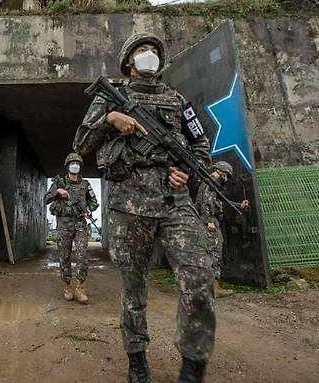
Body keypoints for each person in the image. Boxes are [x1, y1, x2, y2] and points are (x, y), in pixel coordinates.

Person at [74, 32, 215, 383]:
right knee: (133, 286)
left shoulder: (177, 99)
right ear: (128, 61)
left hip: (174, 202)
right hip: (129, 203)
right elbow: (81, 143)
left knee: (199, 278)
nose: (149, 54)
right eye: (141, 50)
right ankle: (137, 360)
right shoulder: (113, 97)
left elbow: (200, 141)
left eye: (154, 50)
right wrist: (110, 120)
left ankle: (193, 366)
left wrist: (187, 169)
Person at [44, 153, 99, 304]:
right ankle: (67, 286)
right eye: (72, 162)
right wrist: (57, 192)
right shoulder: (59, 183)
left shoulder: (85, 184)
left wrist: (87, 209)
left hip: (81, 224)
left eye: (77, 163)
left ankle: (80, 288)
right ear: (67, 165)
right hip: (63, 224)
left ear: (80, 166)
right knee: (64, 256)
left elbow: (94, 202)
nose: (75, 165)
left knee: (82, 256)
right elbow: (45, 199)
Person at [195, 161, 250, 298]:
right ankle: (214, 288)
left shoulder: (214, 185)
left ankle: (209, 287)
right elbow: (205, 203)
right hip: (210, 221)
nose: (227, 178)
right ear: (221, 172)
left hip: (210, 220)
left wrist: (239, 205)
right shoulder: (210, 183)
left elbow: (222, 202)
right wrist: (208, 221)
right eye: (226, 175)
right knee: (214, 252)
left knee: (211, 252)